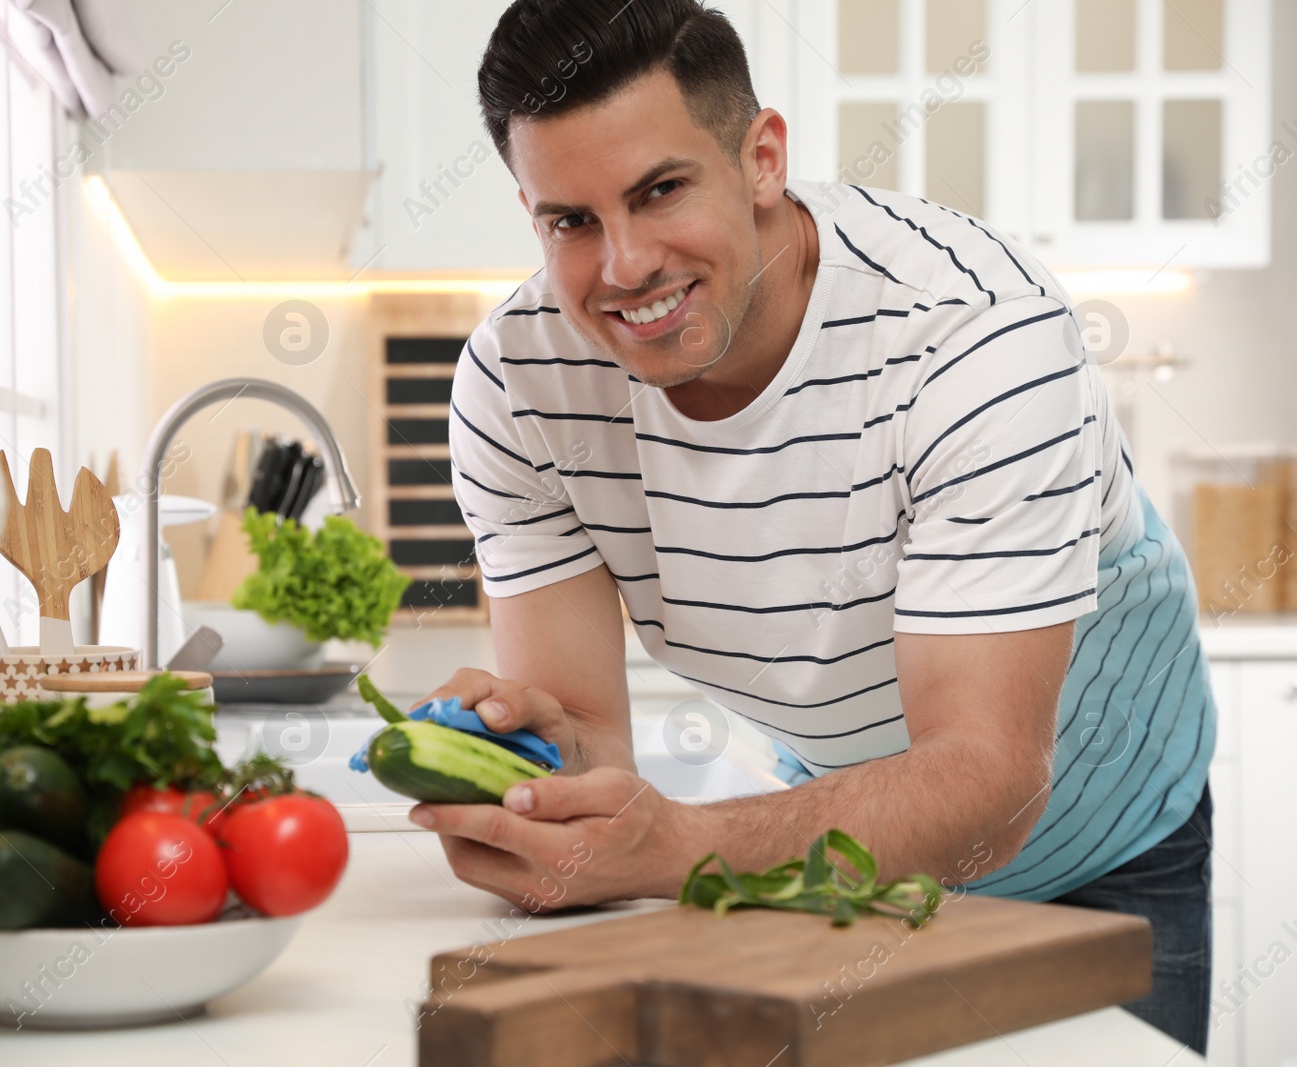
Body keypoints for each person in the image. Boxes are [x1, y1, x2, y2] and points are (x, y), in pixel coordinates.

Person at [407, 0, 1216, 1053]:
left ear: (761, 158)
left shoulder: (976, 335)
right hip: (825, 841)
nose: (624, 265)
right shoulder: (519, 385)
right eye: (570, 220)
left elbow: (987, 779)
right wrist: (529, 781)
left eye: (660, 190)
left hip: (1099, 842)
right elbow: (586, 748)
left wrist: (675, 844)